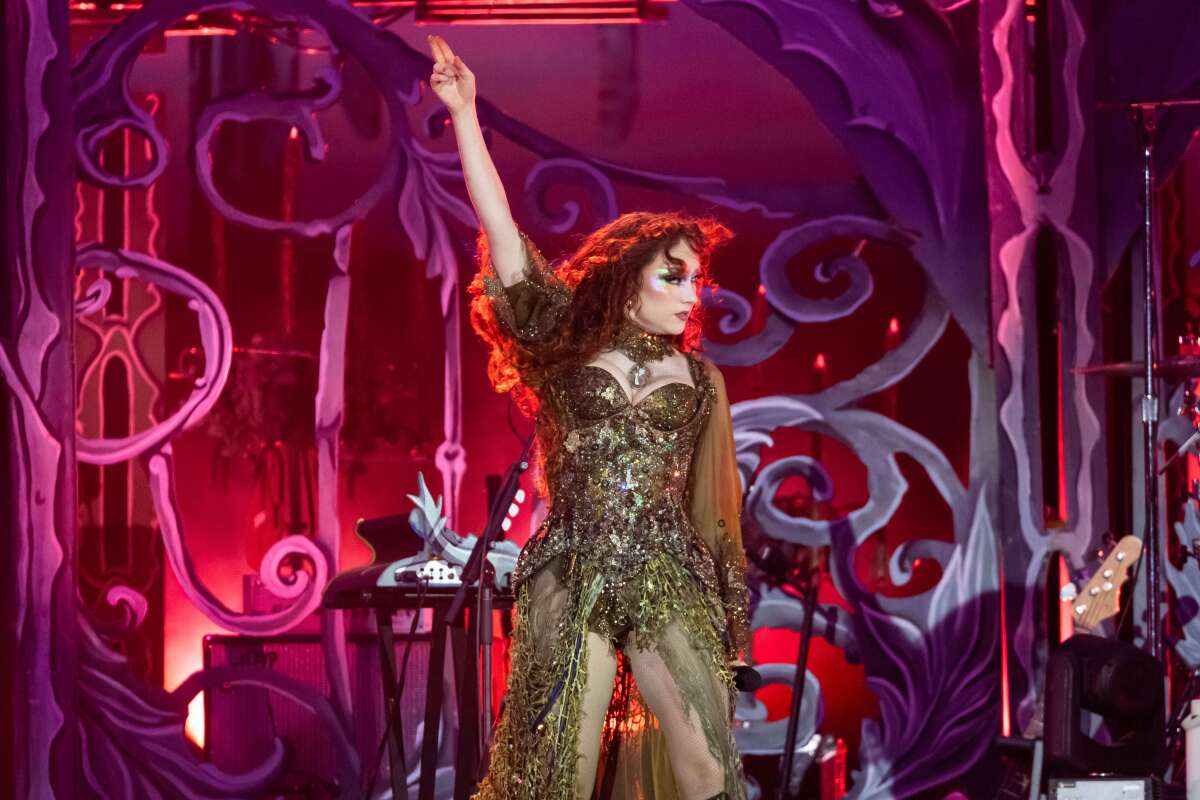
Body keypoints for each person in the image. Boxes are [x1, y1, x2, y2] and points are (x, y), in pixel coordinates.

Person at [427, 35, 752, 800]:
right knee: (561, 774)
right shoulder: (565, 343)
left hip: (667, 572)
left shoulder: (700, 382)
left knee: (705, 763)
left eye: (695, 281)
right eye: (674, 276)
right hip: (571, 566)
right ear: (627, 278)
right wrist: (466, 116)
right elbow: (504, 240)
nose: (691, 294)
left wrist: (735, 632)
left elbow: (717, 513)